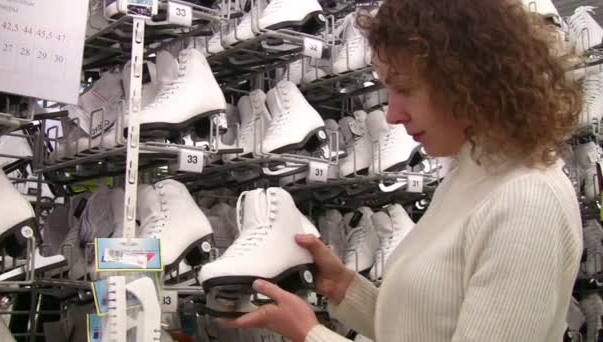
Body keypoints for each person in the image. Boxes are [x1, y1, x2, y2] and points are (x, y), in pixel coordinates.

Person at [222, 0, 584, 341]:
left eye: (405, 90)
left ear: (467, 80)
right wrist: (341, 286)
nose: (393, 115)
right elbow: (423, 327)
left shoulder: (526, 200)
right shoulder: (468, 178)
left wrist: (310, 333)